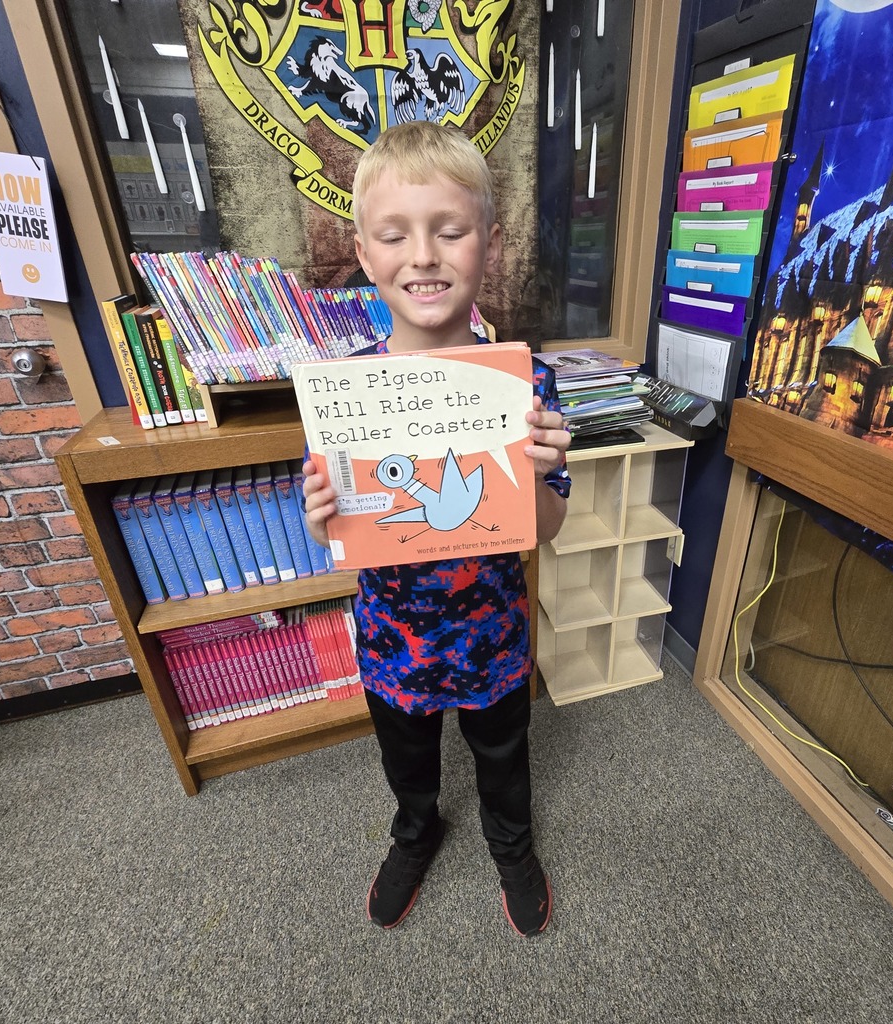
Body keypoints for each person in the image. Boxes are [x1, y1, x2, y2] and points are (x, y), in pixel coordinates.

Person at [301, 120, 572, 936]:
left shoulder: (526, 382)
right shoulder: (346, 392)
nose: (423, 256)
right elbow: (336, 539)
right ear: (365, 251)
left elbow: (546, 527)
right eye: (395, 236)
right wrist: (320, 518)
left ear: (490, 244)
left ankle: (511, 843)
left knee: (504, 758)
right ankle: (415, 832)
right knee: (407, 761)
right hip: (393, 642)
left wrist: (538, 474)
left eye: (450, 231)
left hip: (494, 637)